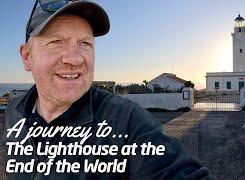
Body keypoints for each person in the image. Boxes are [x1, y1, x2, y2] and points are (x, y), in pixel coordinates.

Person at [4, 0, 214, 179]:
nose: (75, 59)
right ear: (27, 56)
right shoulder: (14, 112)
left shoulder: (127, 120)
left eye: (85, 43)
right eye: (56, 41)